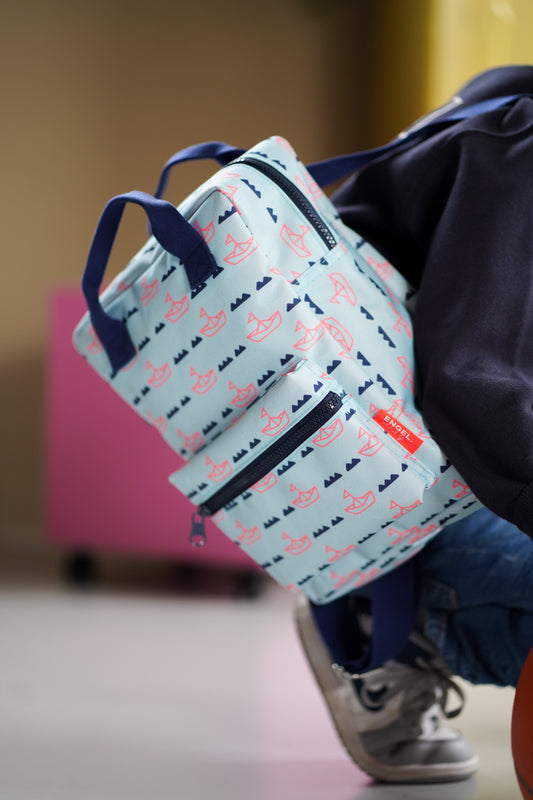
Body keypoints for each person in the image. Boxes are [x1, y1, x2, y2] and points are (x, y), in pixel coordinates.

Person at [294, 65, 533, 784]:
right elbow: (476, 393)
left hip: (431, 477)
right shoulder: (516, 151)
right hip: (407, 511)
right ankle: (388, 623)